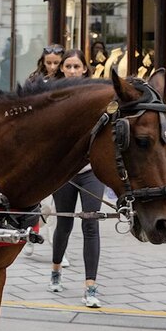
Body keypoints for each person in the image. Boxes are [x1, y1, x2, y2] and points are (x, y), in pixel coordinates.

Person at [48, 49, 105, 308]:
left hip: (91, 173)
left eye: (76, 66)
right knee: (64, 225)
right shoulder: (55, 96)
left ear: (85, 69)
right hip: (65, 173)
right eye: (68, 66)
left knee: (91, 224)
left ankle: (90, 286)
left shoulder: (95, 96)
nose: (72, 70)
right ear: (62, 69)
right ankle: (56, 269)